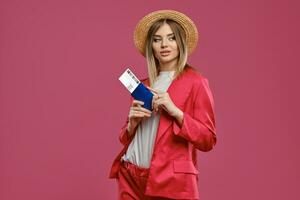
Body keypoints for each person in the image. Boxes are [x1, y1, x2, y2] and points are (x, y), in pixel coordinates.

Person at [109, 10, 217, 200]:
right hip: (130, 175)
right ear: (151, 46)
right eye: (157, 39)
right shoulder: (144, 85)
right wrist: (132, 124)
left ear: (180, 43)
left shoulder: (196, 82)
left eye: (171, 38)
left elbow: (208, 139)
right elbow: (126, 137)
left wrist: (176, 112)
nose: (164, 45)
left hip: (169, 181)